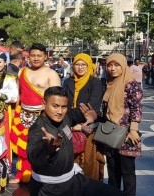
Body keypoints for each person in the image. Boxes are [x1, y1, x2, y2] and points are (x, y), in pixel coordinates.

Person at [27, 86, 124, 196]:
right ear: (44, 104)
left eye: (63, 107)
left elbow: (80, 113)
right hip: (49, 189)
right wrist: (48, 149)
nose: (60, 111)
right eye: (55, 106)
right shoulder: (38, 129)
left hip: (73, 181)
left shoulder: (66, 117)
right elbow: (32, 155)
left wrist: (93, 116)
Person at [10, 43, 61, 183]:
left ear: (45, 56)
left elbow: (57, 100)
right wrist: (15, 112)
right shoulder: (22, 71)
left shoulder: (52, 74)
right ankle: (22, 173)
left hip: (42, 116)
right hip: (23, 114)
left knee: (40, 147)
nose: (36, 58)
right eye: (33, 55)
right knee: (23, 146)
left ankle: (39, 175)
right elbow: (18, 94)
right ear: (28, 57)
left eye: (39, 55)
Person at [103, 53, 143, 196]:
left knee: (127, 172)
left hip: (126, 134)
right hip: (111, 133)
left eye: (116, 65)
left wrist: (133, 130)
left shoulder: (131, 84)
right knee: (113, 171)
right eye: (110, 65)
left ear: (123, 66)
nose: (113, 69)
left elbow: (136, 108)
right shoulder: (109, 83)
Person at [63, 53, 104, 181]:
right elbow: (63, 102)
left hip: (87, 126)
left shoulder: (95, 83)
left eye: (83, 65)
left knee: (87, 164)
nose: (80, 67)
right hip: (69, 124)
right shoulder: (68, 81)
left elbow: (91, 107)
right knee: (67, 160)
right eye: (77, 64)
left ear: (89, 66)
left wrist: (70, 119)